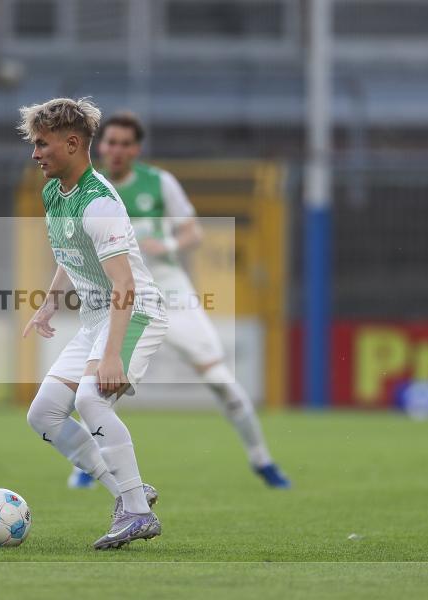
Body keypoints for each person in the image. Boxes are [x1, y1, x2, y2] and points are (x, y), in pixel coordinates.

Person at [68, 111, 291, 490]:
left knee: (221, 379)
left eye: (125, 143)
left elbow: (193, 232)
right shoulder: (90, 188)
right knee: (101, 385)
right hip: (121, 297)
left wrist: (168, 244)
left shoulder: (159, 183)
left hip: (171, 293)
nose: (117, 150)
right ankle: (87, 466)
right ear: (100, 145)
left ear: (136, 149)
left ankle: (262, 460)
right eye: (111, 142)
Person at [19, 98, 167, 549]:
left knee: (92, 397)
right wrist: (48, 305)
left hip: (135, 310)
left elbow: (125, 284)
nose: (35, 153)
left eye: (42, 144)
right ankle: (130, 494)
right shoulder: (52, 193)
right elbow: (71, 253)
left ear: (71, 143)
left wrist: (110, 356)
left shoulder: (99, 203)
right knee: (43, 415)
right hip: (95, 318)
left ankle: (138, 514)